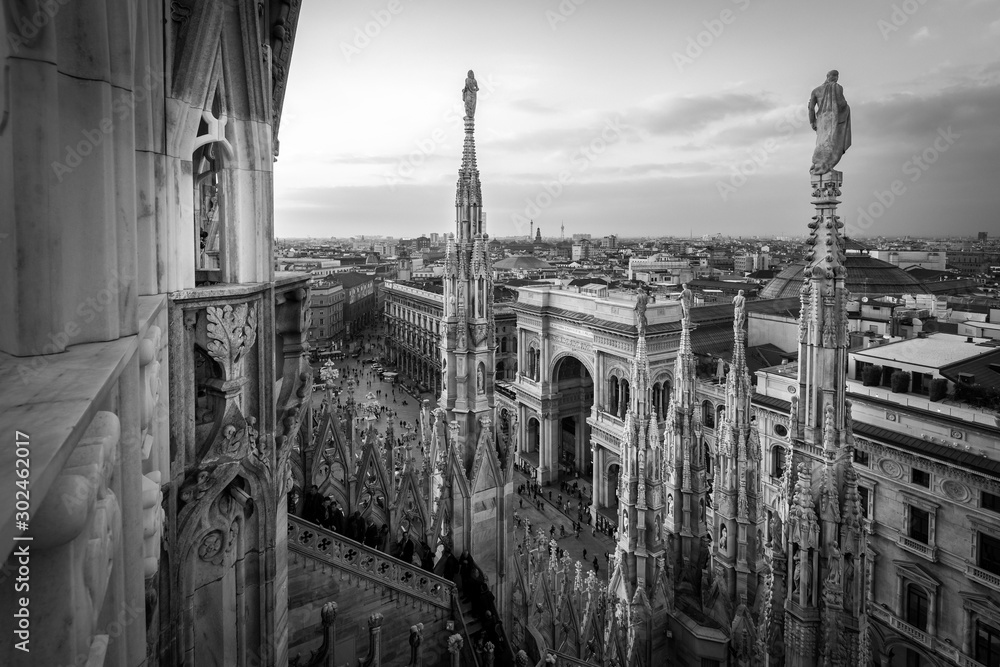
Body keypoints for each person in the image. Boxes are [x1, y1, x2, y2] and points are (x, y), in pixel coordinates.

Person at [808, 69, 852, 175]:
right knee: (832, 142)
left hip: (821, 120)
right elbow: (841, 104)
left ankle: (818, 164)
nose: (837, 78)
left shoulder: (815, 91)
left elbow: (810, 108)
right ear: (834, 77)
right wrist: (847, 108)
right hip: (833, 119)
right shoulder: (837, 87)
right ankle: (825, 165)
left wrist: (812, 122)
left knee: (821, 142)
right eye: (836, 76)